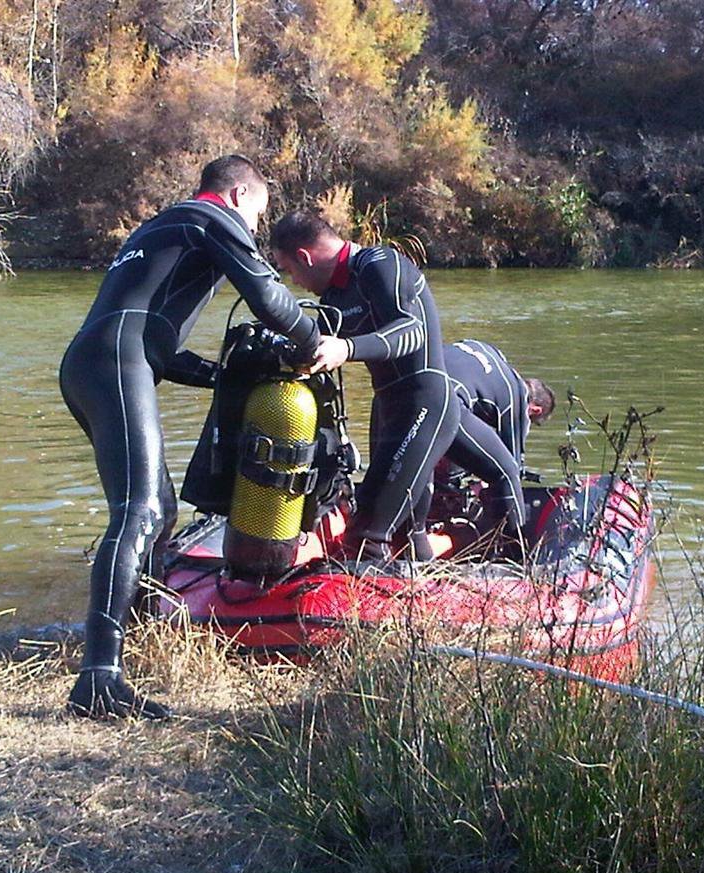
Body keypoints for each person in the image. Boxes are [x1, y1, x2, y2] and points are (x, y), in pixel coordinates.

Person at [59, 155, 319, 720]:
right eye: (258, 215)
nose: (255, 228)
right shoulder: (210, 217)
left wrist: (223, 375)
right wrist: (312, 343)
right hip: (116, 362)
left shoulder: (162, 226)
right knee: (138, 512)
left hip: (95, 361)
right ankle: (99, 678)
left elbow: (159, 345)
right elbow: (269, 298)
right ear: (240, 195)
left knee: (160, 511)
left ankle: (134, 645)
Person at [269, 210, 460, 562]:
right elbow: (316, 348)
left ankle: (362, 586)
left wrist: (346, 348)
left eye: (289, 270)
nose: (294, 281)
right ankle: (420, 589)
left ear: (304, 257)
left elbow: (411, 331)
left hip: (426, 406)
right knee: (405, 530)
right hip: (388, 411)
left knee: (367, 531)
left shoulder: (380, 264)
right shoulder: (332, 298)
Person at [440, 339, 555, 535]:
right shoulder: (516, 397)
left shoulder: (493, 356)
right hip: (444, 402)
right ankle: (514, 545)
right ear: (535, 409)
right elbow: (511, 465)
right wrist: (483, 485)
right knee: (507, 474)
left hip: (415, 381)